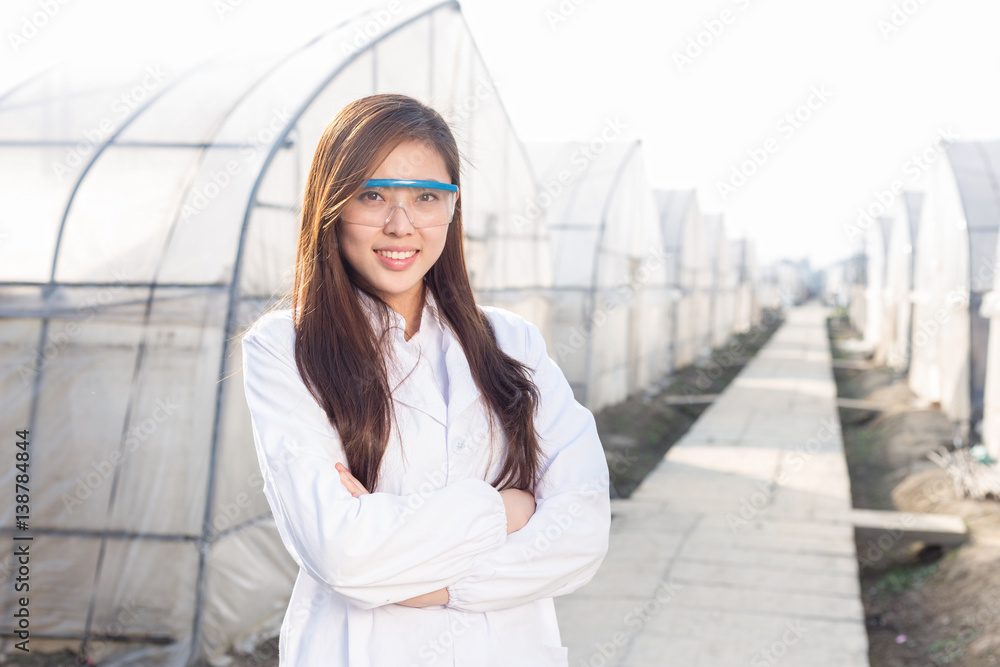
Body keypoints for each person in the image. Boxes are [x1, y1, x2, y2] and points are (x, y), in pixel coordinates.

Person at [240, 93, 611, 667]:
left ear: (453, 208)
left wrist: (434, 588)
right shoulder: (285, 347)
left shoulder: (513, 342)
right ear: (331, 206)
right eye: (372, 195)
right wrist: (507, 511)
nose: (400, 224)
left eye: (426, 198)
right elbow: (342, 553)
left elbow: (583, 529)